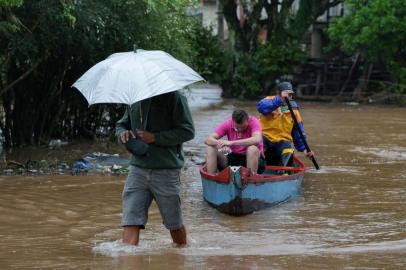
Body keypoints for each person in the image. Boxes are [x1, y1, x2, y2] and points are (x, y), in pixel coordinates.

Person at [116, 91, 194, 247]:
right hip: (137, 169)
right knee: (130, 221)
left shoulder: (175, 98)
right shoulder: (134, 98)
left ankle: (181, 256)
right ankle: (129, 261)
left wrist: (155, 137)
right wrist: (122, 133)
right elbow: (121, 124)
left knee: (174, 223)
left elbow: (188, 131)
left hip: (166, 169)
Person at [256, 81, 314, 167]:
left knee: (288, 149)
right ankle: (257, 169)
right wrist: (280, 100)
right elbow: (261, 108)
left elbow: (298, 133)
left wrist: (305, 149)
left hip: (282, 142)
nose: (288, 97)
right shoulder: (268, 101)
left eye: (290, 95)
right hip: (265, 139)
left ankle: (283, 170)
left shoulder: (294, 110)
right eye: (286, 94)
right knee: (257, 145)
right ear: (278, 94)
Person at [204, 109, 264, 175]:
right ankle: (212, 177)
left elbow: (257, 139)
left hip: (252, 160)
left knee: (252, 148)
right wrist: (222, 144)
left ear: (247, 120)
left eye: (243, 127)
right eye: (237, 128)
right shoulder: (228, 123)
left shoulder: (254, 122)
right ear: (233, 121)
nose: (240, 130)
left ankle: (251, 179)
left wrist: (231, 143)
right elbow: (208, 140)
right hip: (233, 158)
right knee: (211, 148)